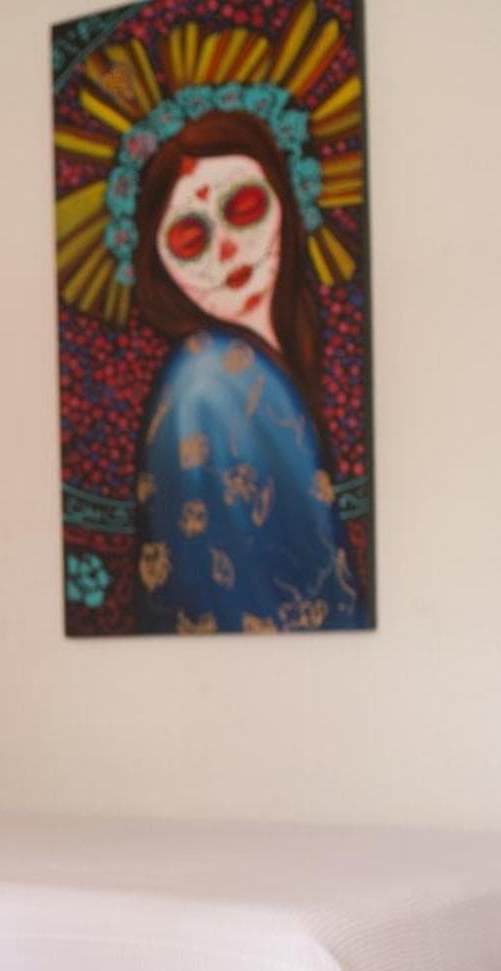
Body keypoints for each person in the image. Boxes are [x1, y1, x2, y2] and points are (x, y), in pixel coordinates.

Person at [129, 110, 363, 634]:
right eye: (191, 239)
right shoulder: (209, 385)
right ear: (159, 264)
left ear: (284, 201)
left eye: (245, 208)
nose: (228, 250)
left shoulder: (259, 367)